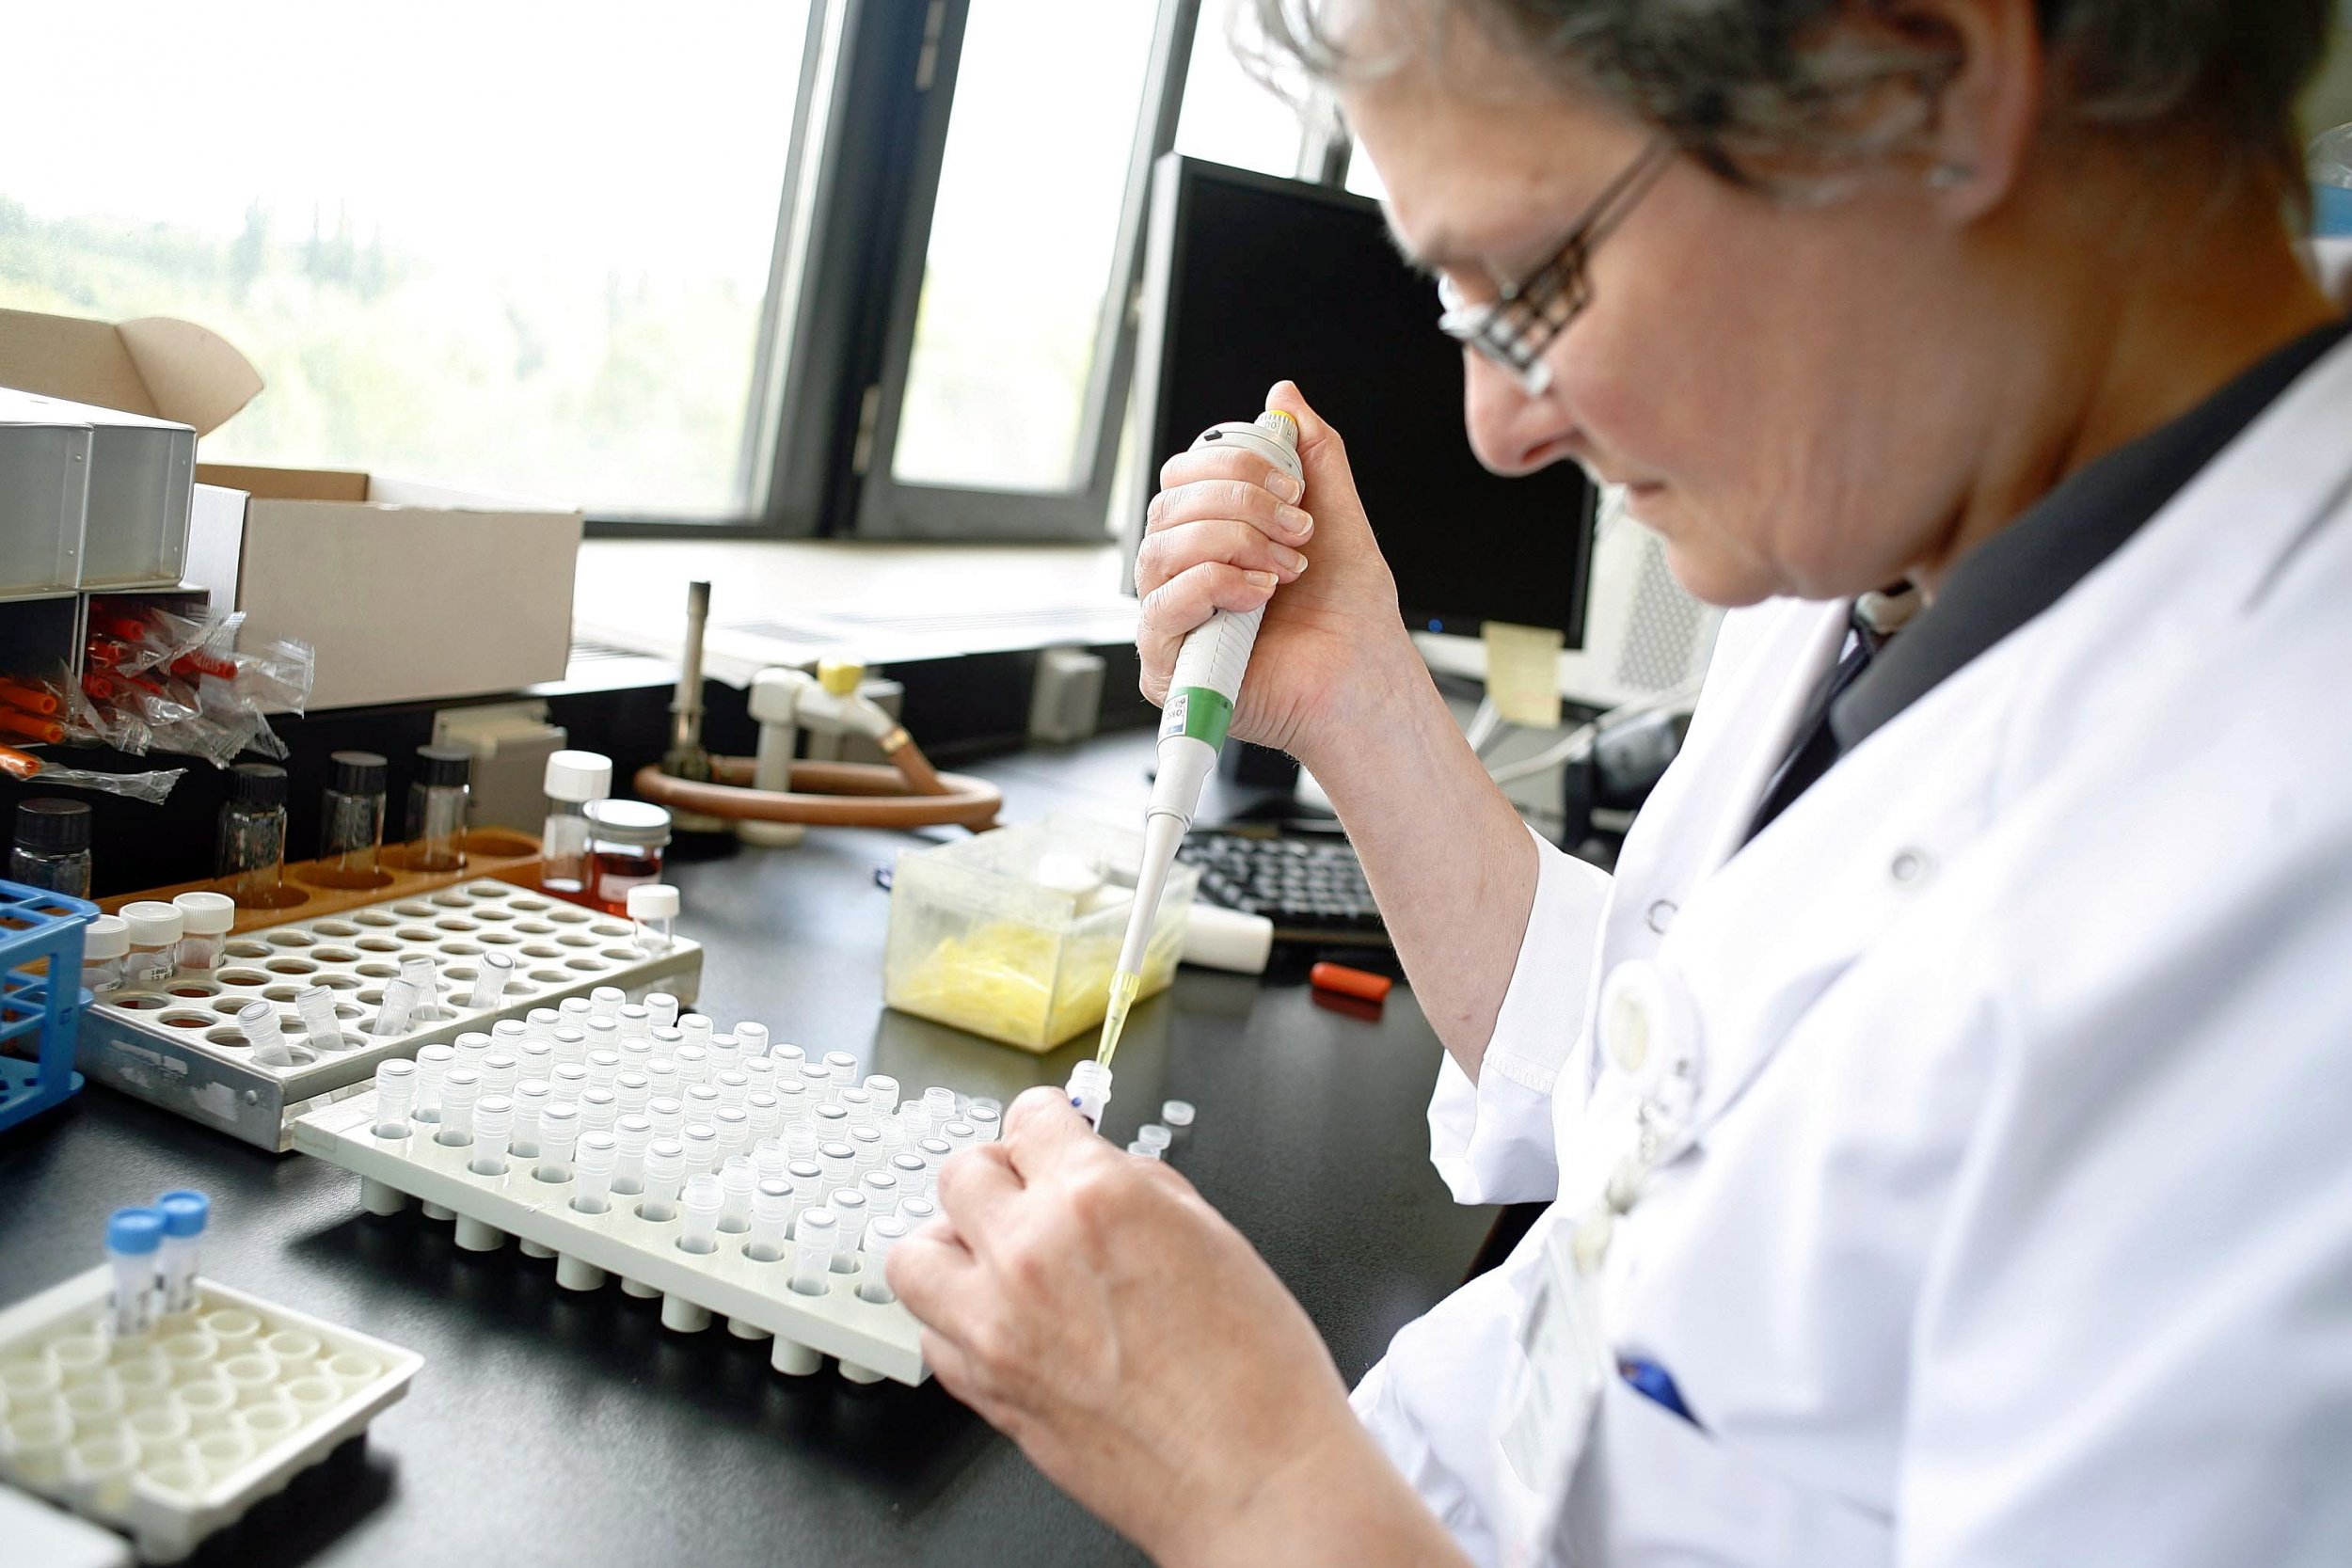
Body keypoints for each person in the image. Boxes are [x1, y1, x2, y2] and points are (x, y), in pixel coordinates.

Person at [887, 0, 2352, 1561]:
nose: (1497, 427)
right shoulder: (1886, 526)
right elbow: (1672, 1095)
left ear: (1926, 89)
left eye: (1535, 284)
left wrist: (1257, 1490)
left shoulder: (2291, 919)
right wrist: (1357, 693)